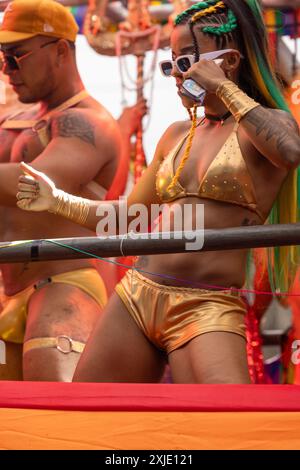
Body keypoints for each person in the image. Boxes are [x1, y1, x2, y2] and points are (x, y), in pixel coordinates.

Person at [17, 0, 300, 384]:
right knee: (87, 416)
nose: (175, 76)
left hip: (205, 306)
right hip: (136, 297)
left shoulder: (267, 127)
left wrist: (222, 87)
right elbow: (127, 219)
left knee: (226, 425)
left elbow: (291, 151)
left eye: (185, 63)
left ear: (229, 60)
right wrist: (57, 200)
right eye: (171, 65)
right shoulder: (176, 135)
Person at [0, 0, 146, 381]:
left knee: (58, 424)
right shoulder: (19, 118)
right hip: (9, 294)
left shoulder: (88, 122)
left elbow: (35, 185)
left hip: (65, 288)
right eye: (2, 57)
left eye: (16, 56)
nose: (6, 69)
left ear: (61, 50)